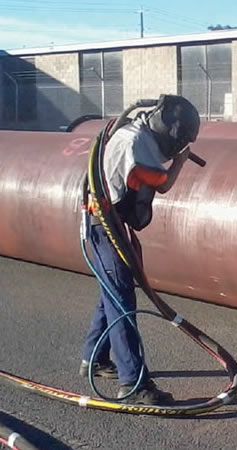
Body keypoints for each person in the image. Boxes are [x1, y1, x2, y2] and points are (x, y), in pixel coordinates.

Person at [79, 94, 200, 405]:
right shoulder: (136, 142)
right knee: (121, 302)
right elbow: (161, 183)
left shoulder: (132, 133)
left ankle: (94, 357)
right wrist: (180, 162)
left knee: (112, 292)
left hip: (105, 223)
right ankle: (133, 383)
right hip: (105, 225)